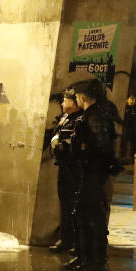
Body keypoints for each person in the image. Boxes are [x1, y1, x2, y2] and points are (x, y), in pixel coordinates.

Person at [66, 79, 116, 271]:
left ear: (83, 97)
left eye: (77, 95)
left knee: (90, 217)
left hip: (93, 173)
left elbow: (100, 145)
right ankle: (86, 256)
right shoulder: (93, 115)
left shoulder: (94, 117)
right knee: (84, 215)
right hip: (90, 172)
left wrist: (83, 153)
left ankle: (92, 259)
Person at [50, 88, 83, 254]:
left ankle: (74, 241)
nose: (62, 103)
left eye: (66, 100)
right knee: (65, 203)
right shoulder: (66, 118)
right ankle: (66, 238)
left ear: (74, 103)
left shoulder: (79, 120)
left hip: (73, 168)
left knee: (73, 204)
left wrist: (63, 145)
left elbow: (75, 144)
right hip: (64, 166)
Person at [121, 95, 136, 161]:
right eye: (130, 99)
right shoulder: (125, 108)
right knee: (125, 144)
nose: (132, 101)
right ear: (127, 100)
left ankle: (133, 158)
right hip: (126, 128)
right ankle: (123, 157)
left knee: (133, 144)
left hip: (133, 128)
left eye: (133, 100)